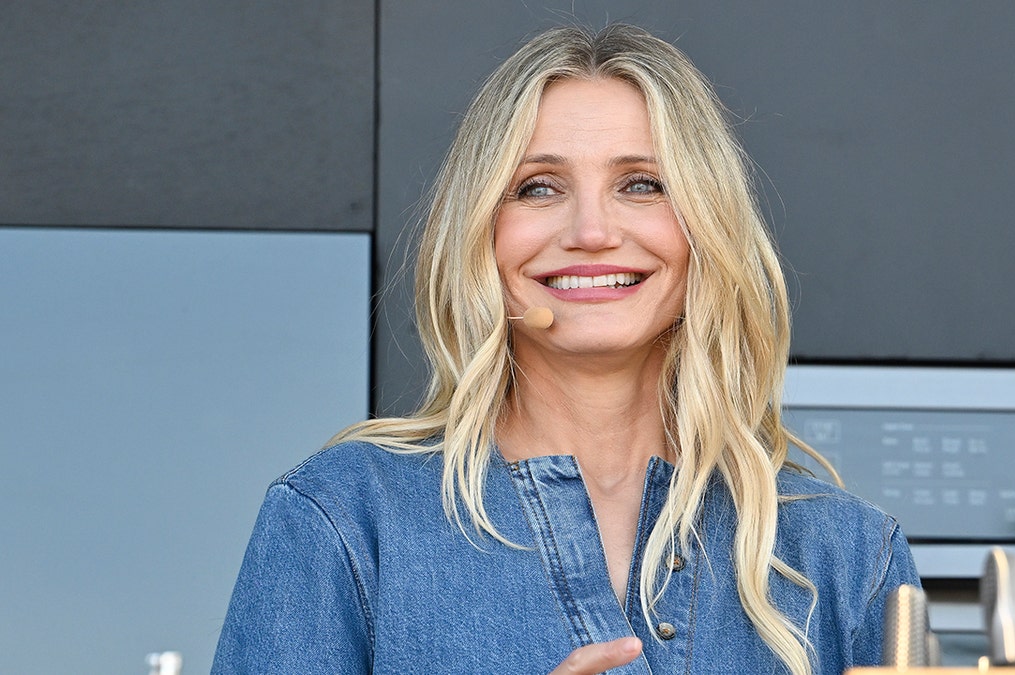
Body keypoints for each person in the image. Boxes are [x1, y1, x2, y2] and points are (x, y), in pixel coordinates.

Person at [212, 23, 920, 675]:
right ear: (483, 232)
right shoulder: (341, 519)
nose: (590, 229)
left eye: (642, 184)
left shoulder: (849, 556)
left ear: (707, 227)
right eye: (538, 187)